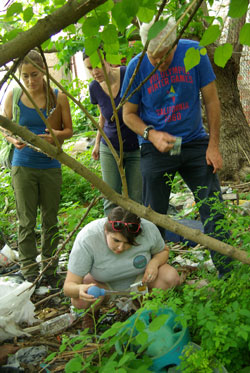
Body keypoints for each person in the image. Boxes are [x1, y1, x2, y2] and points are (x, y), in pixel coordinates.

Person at [121, 17, 232, 277]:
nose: (159, 63)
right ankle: (154, 275)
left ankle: (227, 272)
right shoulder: (136, 68)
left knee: (212, 206)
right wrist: (151, 134)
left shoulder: (194, 52)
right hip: (157, 146)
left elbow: (212, 101)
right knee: (153, 215)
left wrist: (213, 146)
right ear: (145, 48)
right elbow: (128, 115)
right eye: (153, 56)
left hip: (193, 141)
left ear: (175, 44)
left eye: (165, 56)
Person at [3, 50, 73, 285]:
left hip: (50, 165)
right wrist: (14, 140)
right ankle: (30, 271)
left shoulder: (57, 97)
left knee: (50, 219)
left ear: (43, 70)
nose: (31, 81)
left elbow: (68, 130)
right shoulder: (13, 95)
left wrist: (55, 136)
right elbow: (4, 125)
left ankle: (51, 269)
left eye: (34, 74)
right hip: (23, 166)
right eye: (25, 76)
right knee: (26, 220)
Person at [63, 206, 180, 318]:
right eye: (116, 240)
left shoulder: (148, 229)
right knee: (80, 300)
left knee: (170, 277)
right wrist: (79, 289)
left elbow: (163, 251)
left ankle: (143, 303)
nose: (120, 248)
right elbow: (68, 287)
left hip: (141, 281)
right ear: (105, 230)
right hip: (104, 286)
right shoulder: (88, 237)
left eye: (128, 243)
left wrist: (154, 263)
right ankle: (91, 315)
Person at [83, 52, 142, 216]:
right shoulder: (94, 87)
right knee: (110, 196)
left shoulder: (127, 74)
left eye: (98, 64)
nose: (94, 71)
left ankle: (133, 234)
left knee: (136, 198)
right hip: (109, 146)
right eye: (89, 68)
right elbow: (103, 115)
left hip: (135, 145)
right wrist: (96, 143)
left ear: (108, 60)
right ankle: (112, 235)